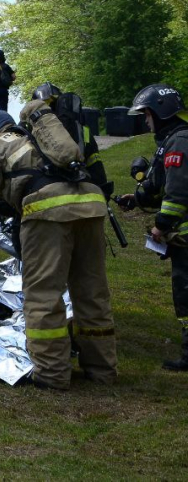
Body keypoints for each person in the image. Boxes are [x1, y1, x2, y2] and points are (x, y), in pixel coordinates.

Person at [0, 110, 117, 390]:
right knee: (91, 291)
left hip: (47, 210)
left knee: (43, 293)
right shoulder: (40, 140)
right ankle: (102, 370)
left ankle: (52, 373)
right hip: (90, 205)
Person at [114, 84, 188, 371]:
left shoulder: (179, 141)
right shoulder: (173, 139)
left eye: (147, 115)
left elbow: (179, 193)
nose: (145, 121)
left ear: (159, 112)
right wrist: (138, 198)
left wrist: (161, 225)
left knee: (185, 292)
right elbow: (160, 183)